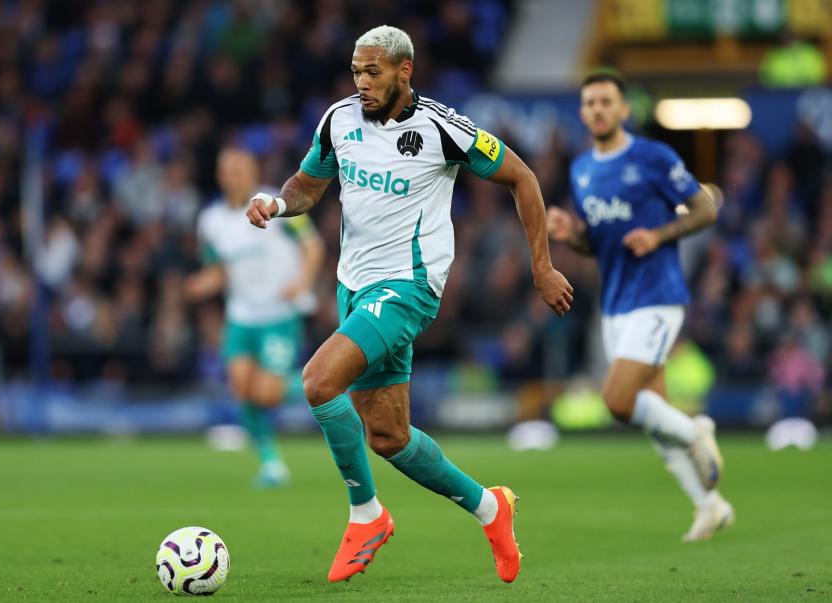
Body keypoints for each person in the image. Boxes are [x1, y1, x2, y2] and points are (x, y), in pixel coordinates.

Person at [246, 25, 573, 583]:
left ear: (404, 72)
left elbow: (523, 178)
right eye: (355, 72)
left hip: (409, 287)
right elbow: (308, 184)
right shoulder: (338, 121)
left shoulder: (444, 129)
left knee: (319, 381)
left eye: (371, 72)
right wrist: (275, 203)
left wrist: (541, 265)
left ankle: (366, 514)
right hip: (354, 287)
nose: (361, 83)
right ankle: (491, 508)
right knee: (389, 437)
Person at [547, 71, 734, 542]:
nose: (598, 109)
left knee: (617, 401)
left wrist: (660, 234)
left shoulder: (653, 157)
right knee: (652, 414)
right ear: (583, 112)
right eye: (589, 102)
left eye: (607, 101)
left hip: (658, 295)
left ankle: (696, 432)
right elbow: (599, 243)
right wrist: (575, 237)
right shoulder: (582, 168)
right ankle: (709, 505)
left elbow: (705, 210)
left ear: (624, 109)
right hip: (615, 304)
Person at [188, 147, 324, 487]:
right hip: (240, 317)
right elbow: (218, 272)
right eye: (227, 169)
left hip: (278, 314)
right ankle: (271, 464)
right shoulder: (211, 222)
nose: (233, 175)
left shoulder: (275, 204)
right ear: (220, 176)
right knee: (241, 388)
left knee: (266, 394)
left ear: (252, 173)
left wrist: (303, 282)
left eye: (240, 169)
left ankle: (330, 385)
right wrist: (195, 286)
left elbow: (313, 246)